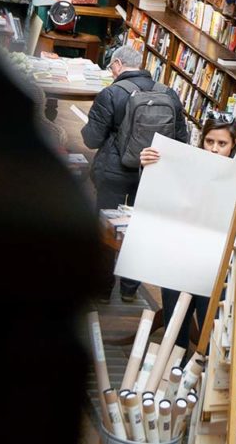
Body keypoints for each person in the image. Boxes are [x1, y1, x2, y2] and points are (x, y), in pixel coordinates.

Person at [139, 111, 236, 348]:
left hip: (217, 265)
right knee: (173, 326)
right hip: (179, 258)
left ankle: (199, 379)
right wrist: (148, 167)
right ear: (202, 140)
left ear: (233, 145)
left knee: (210, 329)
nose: (214, 148)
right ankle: (171, 373)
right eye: (209, 141)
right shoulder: (187, 163)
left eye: (222, 143)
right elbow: (159, 192)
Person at [82, 45, 189, 301]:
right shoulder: (169, 93)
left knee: (106, 228)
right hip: (152, 173)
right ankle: (130, 289)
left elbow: (92, 139)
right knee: (141, 231)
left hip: (114, 171)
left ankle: (102, 288)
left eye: (111, 67)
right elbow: (181, 140)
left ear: (117, 64)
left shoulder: (111, 94)